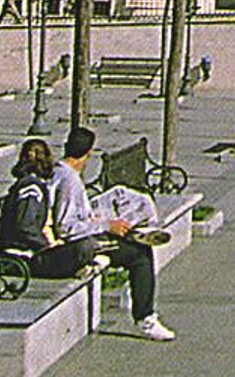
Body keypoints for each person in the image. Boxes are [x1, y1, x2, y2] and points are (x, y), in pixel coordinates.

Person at [47, 127, 175, 341]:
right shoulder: (69, 180)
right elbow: (66, 228)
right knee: (140, 256)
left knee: (133, 233)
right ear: (87, 153)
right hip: (76, 245)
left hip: (85, 235)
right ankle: (145, 318)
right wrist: (106, 226)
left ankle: (137, 235)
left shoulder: (59, 172)